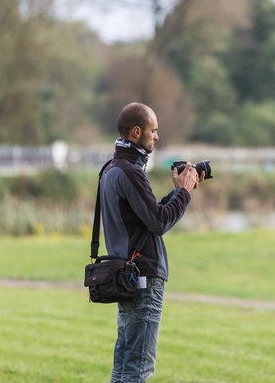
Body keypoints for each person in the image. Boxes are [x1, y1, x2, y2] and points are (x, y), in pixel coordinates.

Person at [100, 102, 203, 383]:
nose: (156, 136)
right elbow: (160, 222)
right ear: (136, 132)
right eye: (153, 131)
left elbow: (150, 217)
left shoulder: (112, 169)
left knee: (123, 368)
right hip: (143, 279)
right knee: (137, 371)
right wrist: (183, 192)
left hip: (128, 277)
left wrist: (178, 192)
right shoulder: (131, 172)